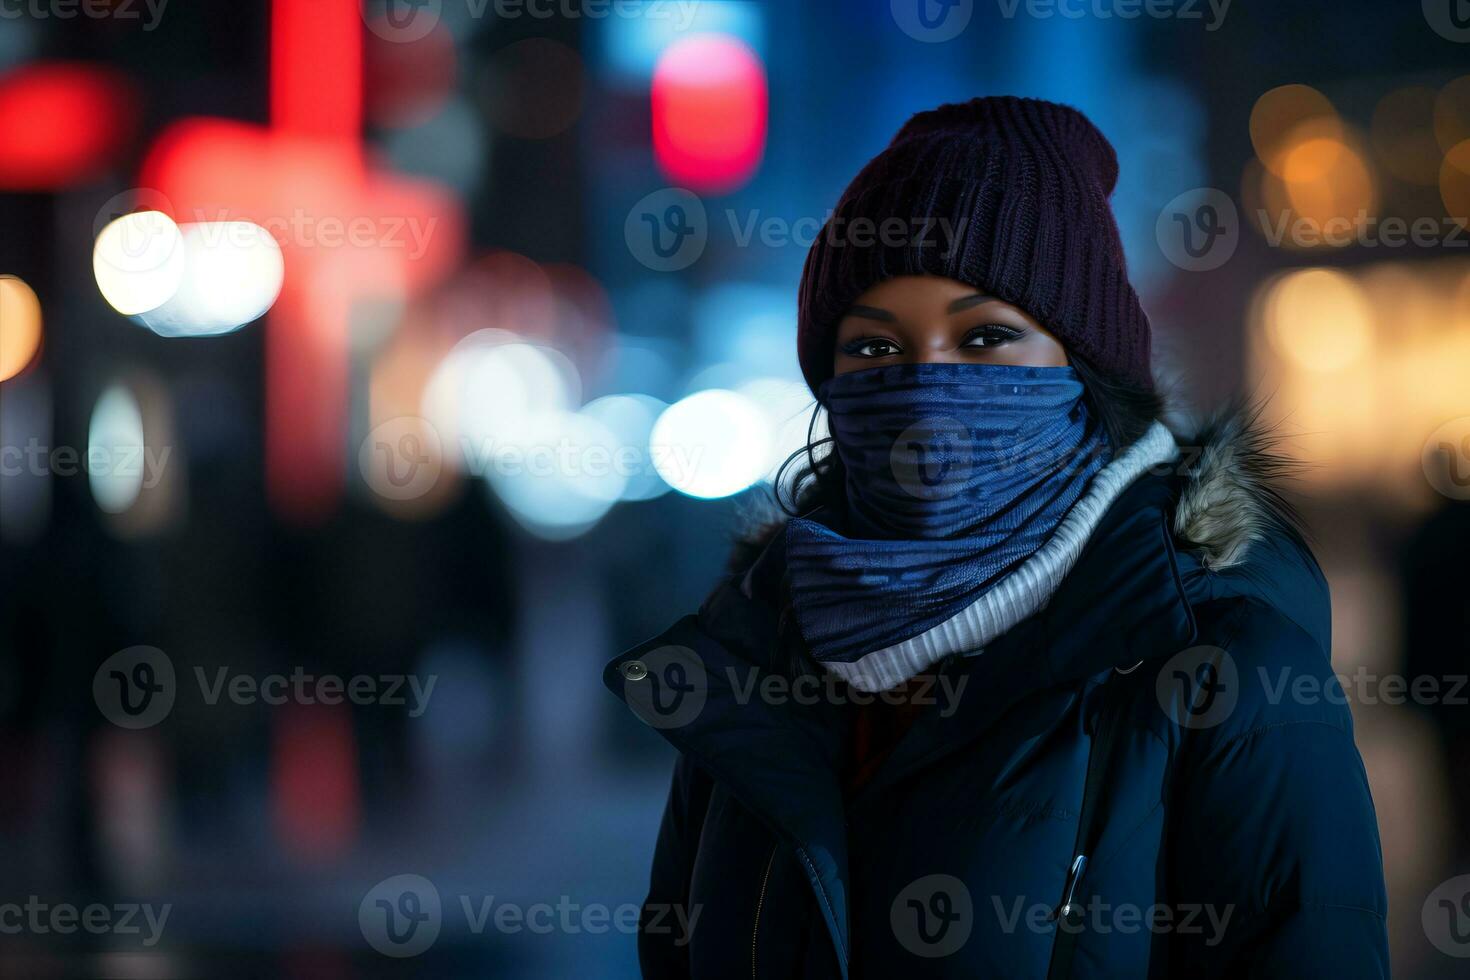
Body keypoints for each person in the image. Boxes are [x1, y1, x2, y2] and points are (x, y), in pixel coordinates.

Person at [605, 96, 1389, 978]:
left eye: (986, 336)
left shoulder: (1214, 661)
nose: (923, 386)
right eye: (873, 350)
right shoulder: (755, 650)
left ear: (1083, 368)